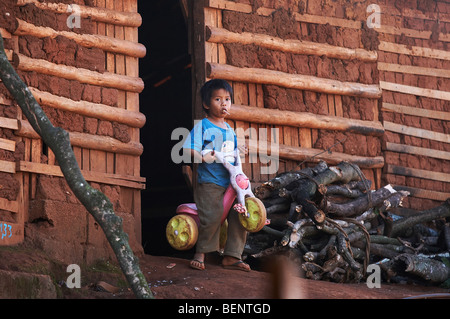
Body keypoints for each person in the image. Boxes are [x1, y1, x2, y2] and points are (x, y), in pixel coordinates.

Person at [182, 79, 250, 272]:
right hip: (210, 183)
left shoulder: (230, 130)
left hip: (230, 183)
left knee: (240, 214)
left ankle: (232, 256)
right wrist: (203, 157)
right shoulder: (202, 126)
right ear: (206, 104)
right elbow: (187, 150)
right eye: (218, 99)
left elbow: (232, 152)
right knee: (211, 216)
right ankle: (200, 253)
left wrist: (241, 150)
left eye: (227, 99)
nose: (223, 103)